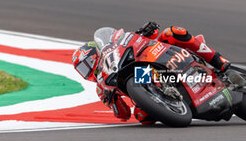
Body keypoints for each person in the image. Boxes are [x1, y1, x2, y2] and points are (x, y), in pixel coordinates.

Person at [72, 22, 230, 125]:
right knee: (142, 117)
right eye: (83, 69)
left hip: (161, 57)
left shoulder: (118, 47)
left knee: (174, 32)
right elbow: (124, 115)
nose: (88, 70)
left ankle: (219, 61)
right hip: (147, 85)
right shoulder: (102, 89)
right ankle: (171, 99)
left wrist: (145, 31)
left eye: (88, 63)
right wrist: (112, 100)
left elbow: (152, 33)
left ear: (97, 53)